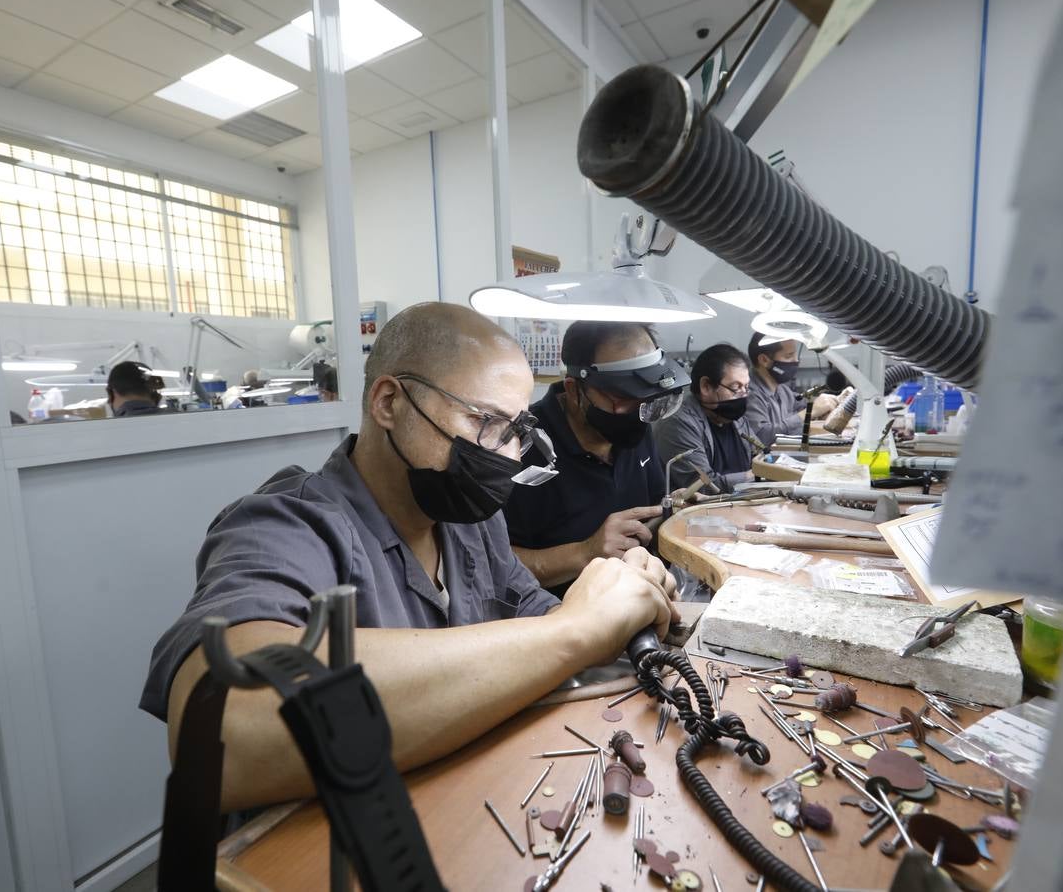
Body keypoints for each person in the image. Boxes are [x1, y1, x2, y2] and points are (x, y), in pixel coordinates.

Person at [140, 303, 677, 811]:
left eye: (518, 432)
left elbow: (539, 621)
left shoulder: (473, 526)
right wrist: (577, 630)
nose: (508, 458)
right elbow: (221, 726)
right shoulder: (284, 526)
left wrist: (632, 609)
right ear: (389, 403)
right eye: (485, 423)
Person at [503, 322, 686, 595]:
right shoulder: (516, 449)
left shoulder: (635, 427)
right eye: (622, 397)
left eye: (647, 397)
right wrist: (585, 552)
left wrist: (676, 513)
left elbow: (652, 510)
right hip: (557, 619)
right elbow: (492, 566)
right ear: (574, 389)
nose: (638, 412)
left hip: (638, 599)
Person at [654, 344, 759, 493]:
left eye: (746, 387)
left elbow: (761, 456)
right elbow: (705, 486)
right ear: (706, 387)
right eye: (736, 387)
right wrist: (756, 475)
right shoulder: (677, 424)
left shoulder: (735, 419)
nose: (743, 395)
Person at [744, 334, 838, 446]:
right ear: (764, 360)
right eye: (788, 356)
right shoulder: (749, 395)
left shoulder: (782, 390)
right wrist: (810, 412)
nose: (796, 361)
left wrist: (832, 405)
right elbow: (762, 436)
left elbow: (805, 404)